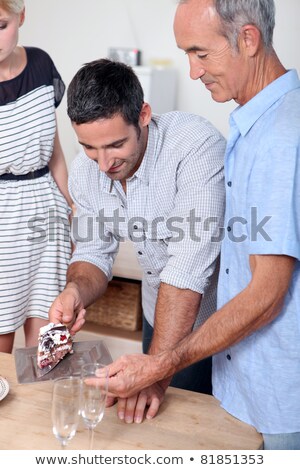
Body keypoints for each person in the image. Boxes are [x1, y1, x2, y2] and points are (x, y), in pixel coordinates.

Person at [101, 0, 300, 450]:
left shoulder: (282, 137)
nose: (193, 71)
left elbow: (267, 294)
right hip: (242, 384)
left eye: (200, 53)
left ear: (248, 39)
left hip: (279, 397)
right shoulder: (255, 125)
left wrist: (164, 363)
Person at [49, 58, 226, 421]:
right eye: (89, 147)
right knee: (155, 427)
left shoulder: (194, 146)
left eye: (115, 145)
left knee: (202, 427)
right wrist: (75, 292)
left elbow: (186, 270)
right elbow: (93, 252)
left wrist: (155, 369)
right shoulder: (87, 172)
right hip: (157, 314)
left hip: (215, 322)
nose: (103, 164)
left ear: (143, 115)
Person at [0, 0, 72, 353]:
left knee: (48, 344)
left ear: (21, 17)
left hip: (47, 211)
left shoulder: (42, 65)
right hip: (2, 219)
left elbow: (54, 149)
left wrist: (72, 206)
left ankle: (46, 407)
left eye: (1, 26)